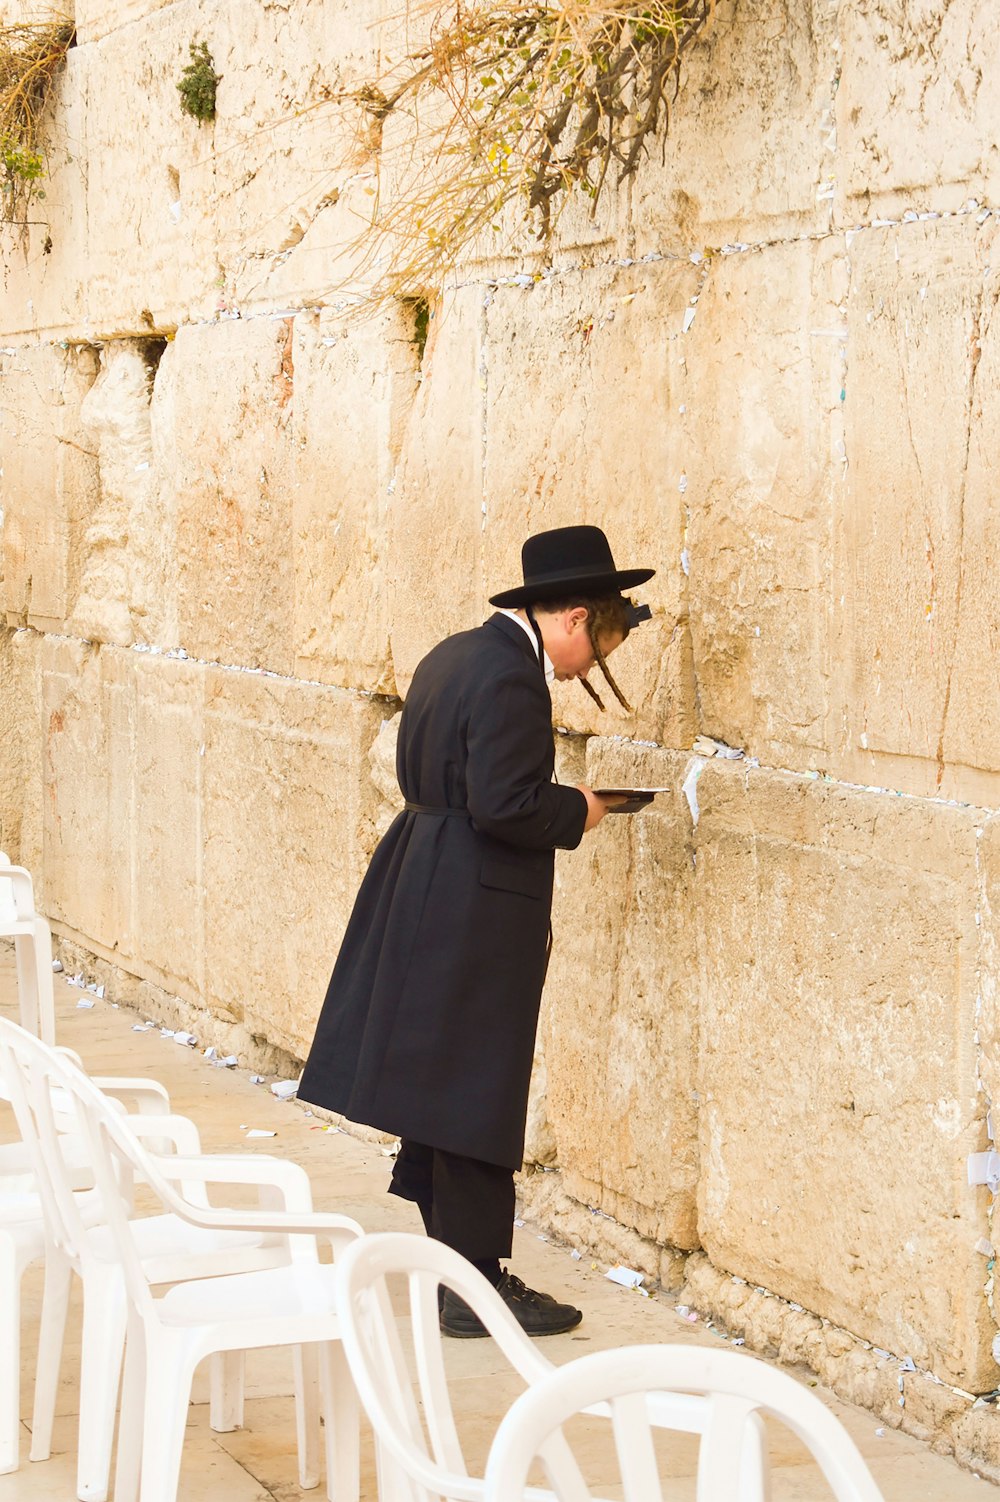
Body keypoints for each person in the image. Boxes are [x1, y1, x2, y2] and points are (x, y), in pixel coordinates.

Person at [298, 525, 655, 1336]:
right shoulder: (511, 680)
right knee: (476, 1086)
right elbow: (507, 806)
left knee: (445, 1079)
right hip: (474, 897)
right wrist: (585, 808)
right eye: (596, 648)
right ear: (570, 619)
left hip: (429, 873)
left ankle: (456, 1269)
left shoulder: (454, 653)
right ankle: (475, 1287)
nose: (588, 667)